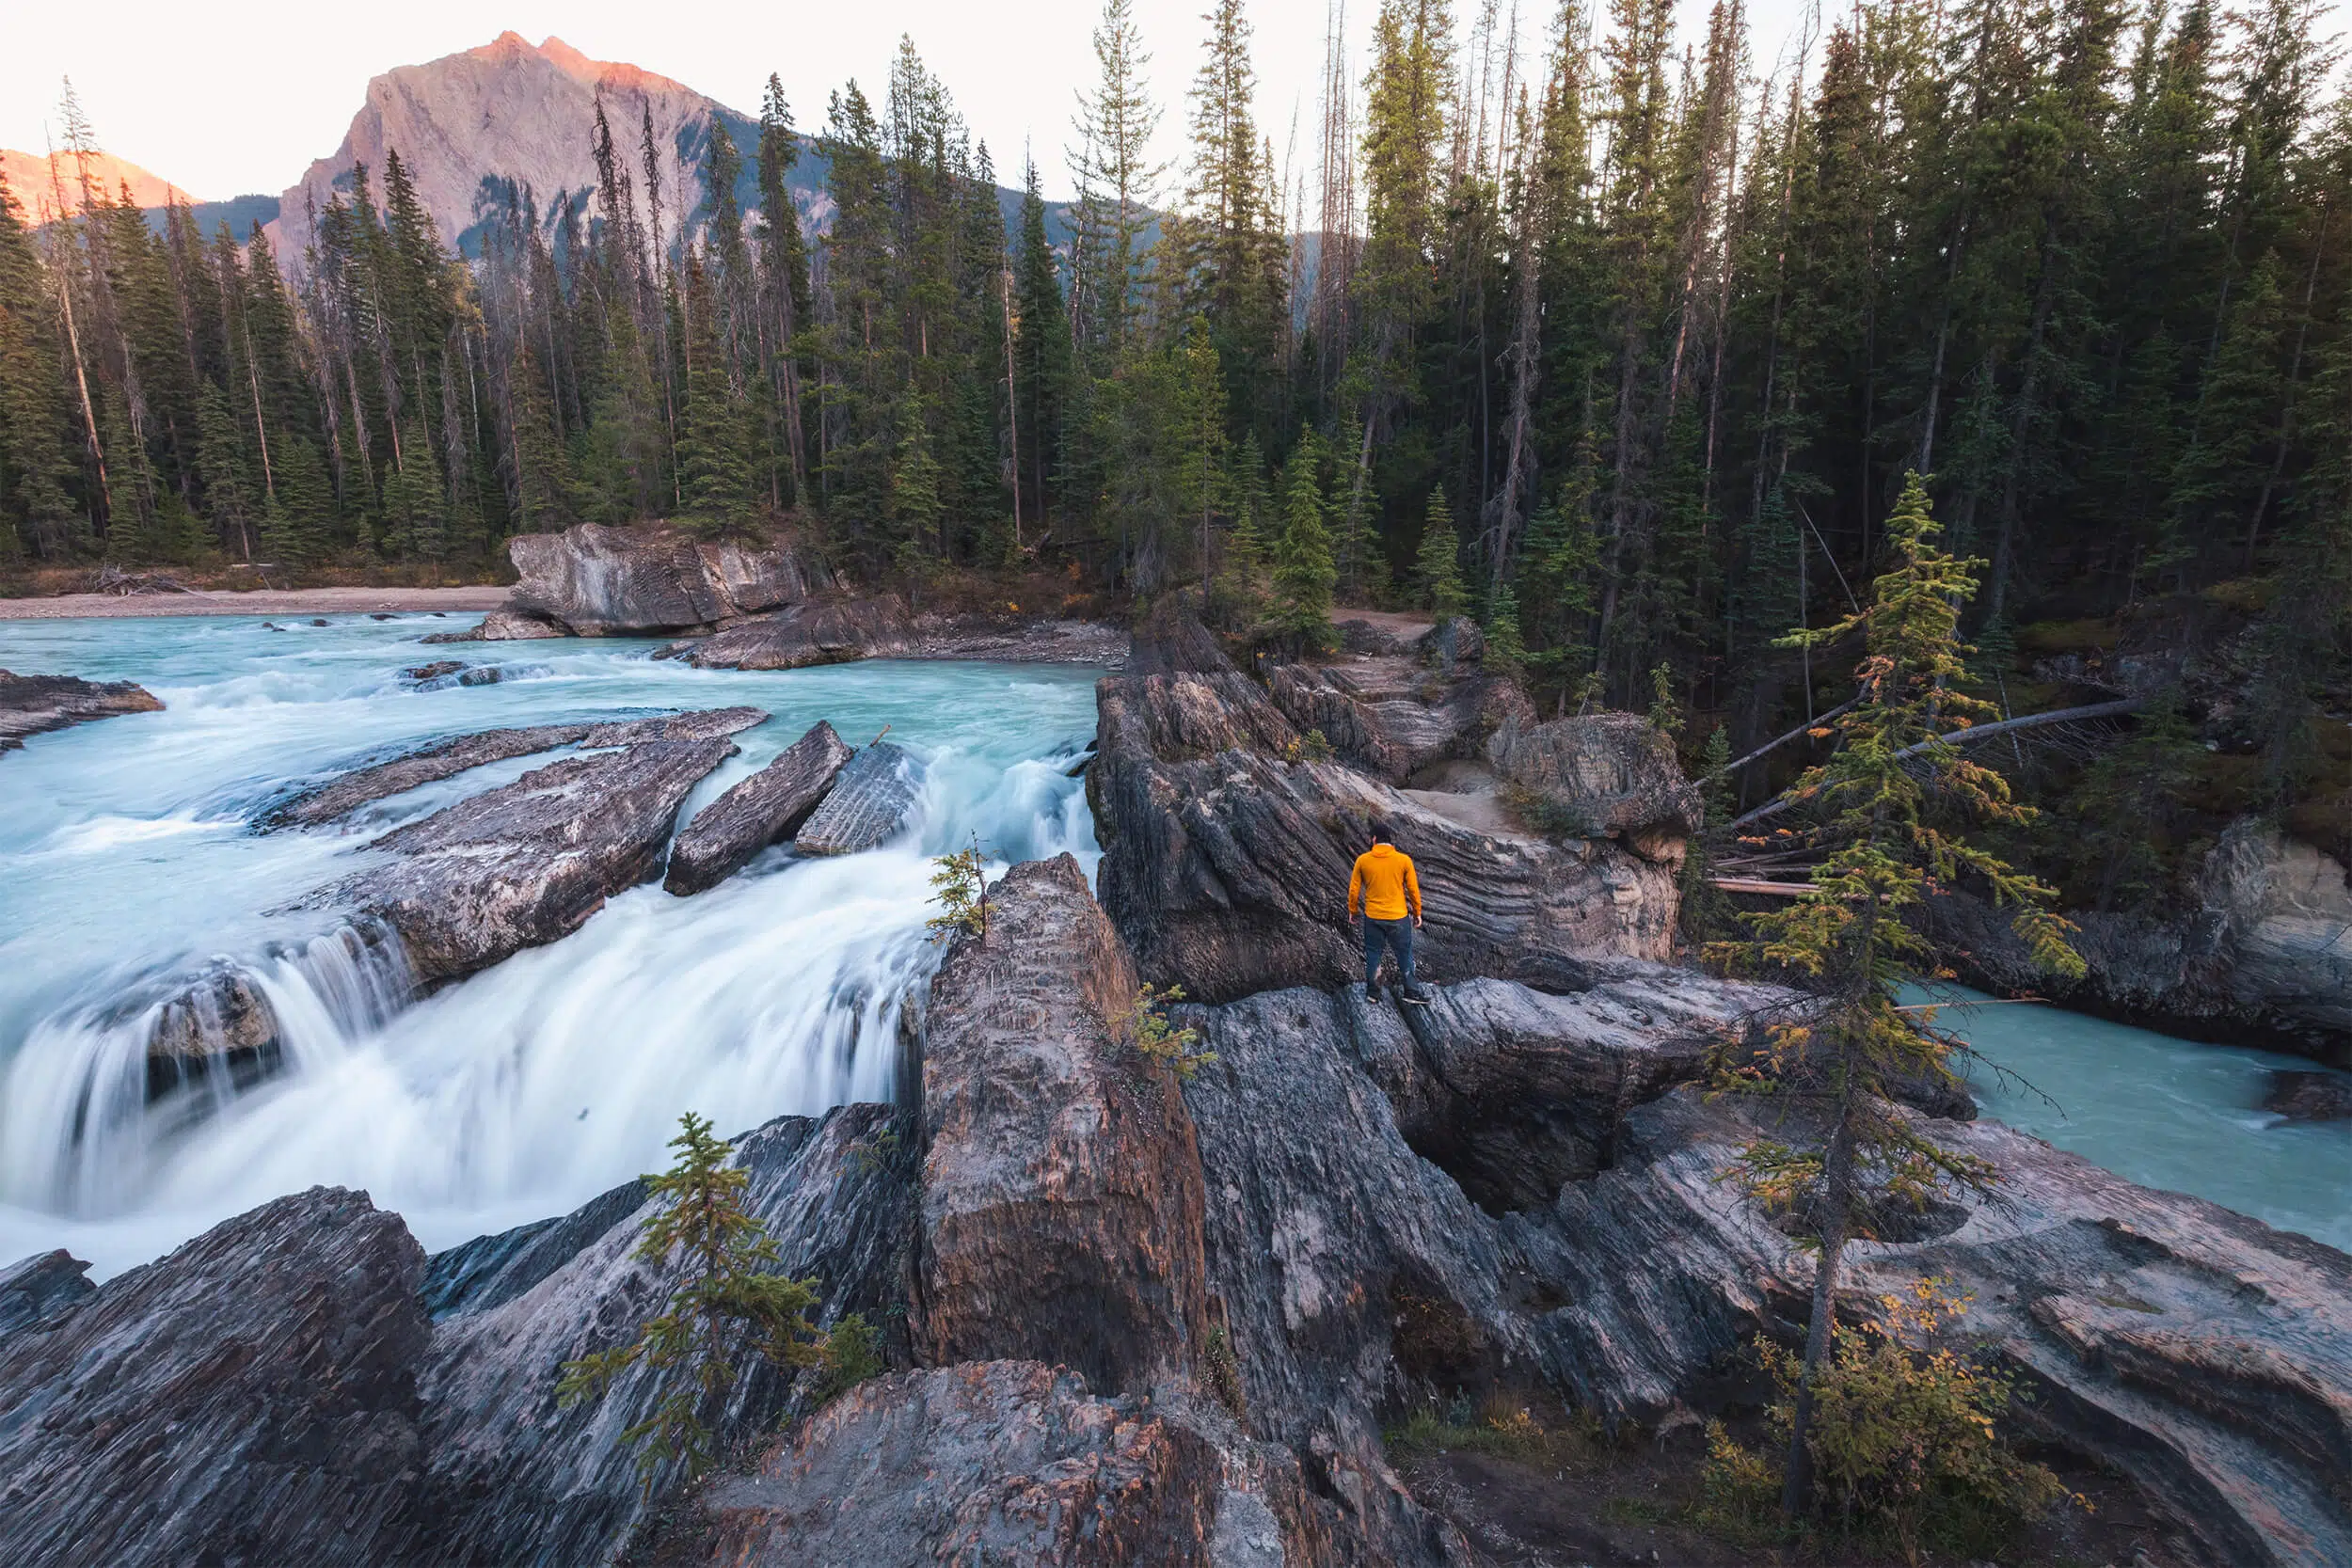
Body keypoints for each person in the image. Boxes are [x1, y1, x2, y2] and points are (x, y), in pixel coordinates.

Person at [1347, 826, 1422, 1003]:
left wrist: (1353, 911)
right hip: (1398, 917)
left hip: (1373, 917)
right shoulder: (1403, 860)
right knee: (1404, 953)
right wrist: (1417, 912)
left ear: (1374, 839)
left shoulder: (1363, 860)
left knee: (1374, 953)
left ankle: (1373, 993)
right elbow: (1413, 890)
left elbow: (1353, 890)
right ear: (1390, 841)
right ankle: (1411, 992)